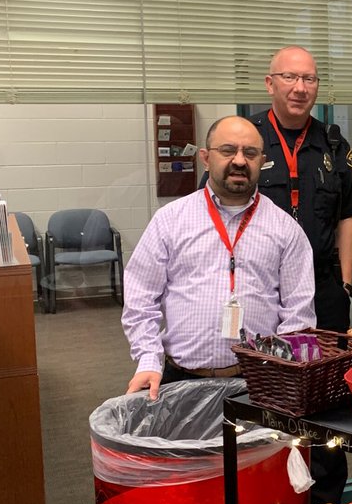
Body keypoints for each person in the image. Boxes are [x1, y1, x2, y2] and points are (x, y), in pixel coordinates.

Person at [123, 115, 316, 400]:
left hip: (257, 382)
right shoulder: (170, 220)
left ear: (262, 161)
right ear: (205, 157)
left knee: (255, 447)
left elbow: (298, 313)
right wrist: (149, 360)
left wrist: (281, 372)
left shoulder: (285, 229)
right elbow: (140, 298)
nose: (239, 160)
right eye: (227, 150)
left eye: (250, 153)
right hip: (180, 379)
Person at [251, 45, 352, 504]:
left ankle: (327, 499)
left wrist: (344, 285)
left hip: (323, 287)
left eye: (310, 79)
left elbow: (347, 216)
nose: (301, 88)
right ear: (270, 83)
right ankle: (273, 492)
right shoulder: (250, 139)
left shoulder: (333, 144)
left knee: (325, 395)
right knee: (270, 382)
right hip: (265, 286)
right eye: (290, 78)